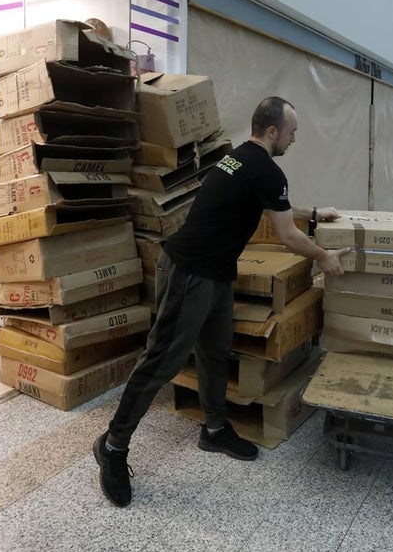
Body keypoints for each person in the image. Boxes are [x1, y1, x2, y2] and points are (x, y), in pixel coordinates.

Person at [94, 96, 350, 508]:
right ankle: (113, 446)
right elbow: (287, 234)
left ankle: (213, 429)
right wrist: (323, 256)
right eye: (291, 132)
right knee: (162, 360)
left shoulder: (238, 159)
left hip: (214, 272)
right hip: (189, 272)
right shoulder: (265, 168)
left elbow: (274, 206)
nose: (293, 139)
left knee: (215, 351)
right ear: (272, 131)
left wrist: (315, 213)